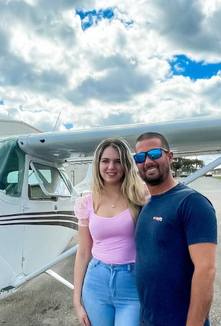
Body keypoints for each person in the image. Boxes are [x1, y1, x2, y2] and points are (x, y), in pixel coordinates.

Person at [133, 132, 217, 326]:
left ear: (169, 157)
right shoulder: (147, 205)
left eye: (154, 153)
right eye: (140, 157)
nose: (147, 161)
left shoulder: (192, 203)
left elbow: (206, 270)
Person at [73, 138, 148, 326]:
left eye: (117, 161)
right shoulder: (86, 203)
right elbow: (83, 253)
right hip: (96, 282)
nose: (111, 166)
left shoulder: (140, 197)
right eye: (105, 161)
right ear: (98, 164)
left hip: (131, 284)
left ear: (126, 165)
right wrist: (76, 300)